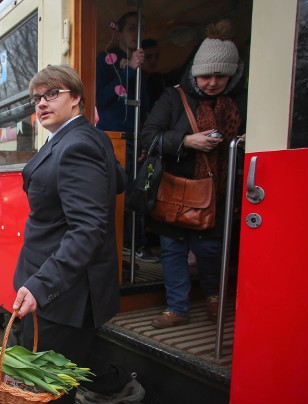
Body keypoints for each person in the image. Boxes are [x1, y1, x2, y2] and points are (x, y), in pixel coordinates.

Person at [12, 65, 143, 404]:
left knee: (46, 394)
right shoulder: (91, 137)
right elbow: (117, 180)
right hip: (69, 284)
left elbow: (87, 228)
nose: (41, 103)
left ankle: (114, 385)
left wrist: (41, 284)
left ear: (77, 99)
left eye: (52, 94)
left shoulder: (76, 145)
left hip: (60, 290)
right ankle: (118, 384)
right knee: (70, 357)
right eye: (36, 98)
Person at [140, 20, 246, 328]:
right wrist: (187, 141)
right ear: (194, 72)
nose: (212, 82)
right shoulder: (174, 98)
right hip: (175, 188)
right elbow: (149, 135)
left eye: (220, 76)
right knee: (173, 250)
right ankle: (178, 308)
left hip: (219, 192)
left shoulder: (241, 101)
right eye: (205, 75)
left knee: (210, 250)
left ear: (232, 74)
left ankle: (214, 297)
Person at [96, 11, 159, 263]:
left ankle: (136, 242)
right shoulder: (107, 59)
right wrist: (131, 70)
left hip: (136, 136)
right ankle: (126, 244)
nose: (137, 33)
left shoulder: (138, 63)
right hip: (115, 136)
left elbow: (143, 104)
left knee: (141, 189)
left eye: (141, 27)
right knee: (121, 192)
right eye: (132, 28)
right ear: (119, 32)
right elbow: (102, 98)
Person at [141, 38, 167, 106]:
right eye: (148, 56)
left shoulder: (157, 78)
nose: (154, 61)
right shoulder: (131, 79)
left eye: (156, 56)